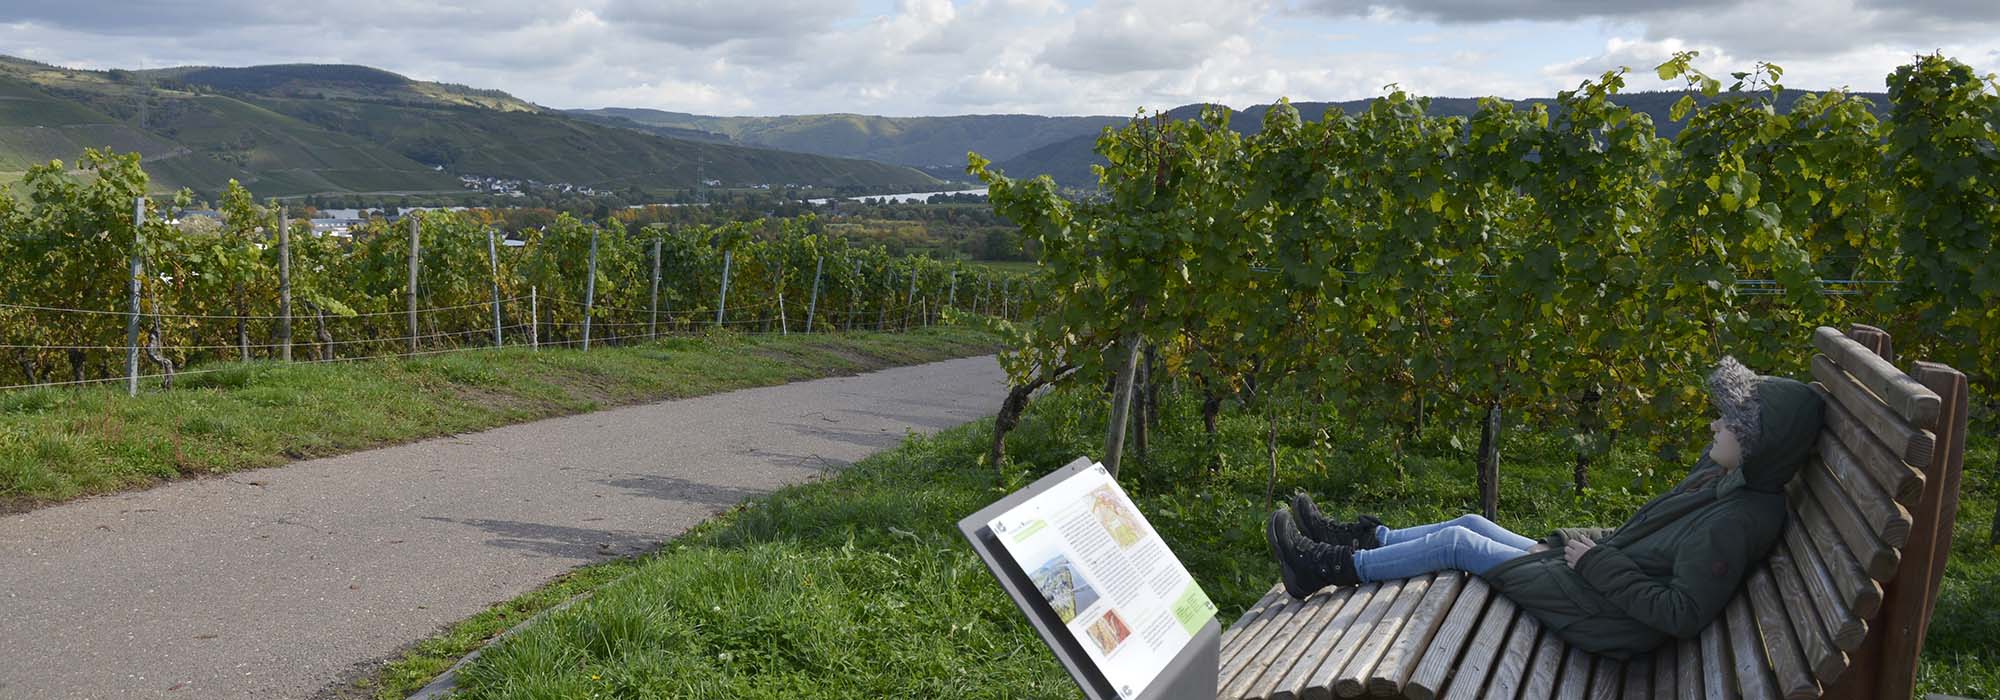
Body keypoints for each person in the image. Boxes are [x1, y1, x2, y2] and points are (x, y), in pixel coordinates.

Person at [1265, 357, 1824, 658]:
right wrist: (1568, 544)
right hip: (1596, 577)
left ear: (1758, 442)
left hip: (1606, 617)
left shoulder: (1734, 520)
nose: (1714, 424)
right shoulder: (1724, 478)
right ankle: (1363, 539)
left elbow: (1679, 614)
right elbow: (1642, 532)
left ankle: (1327, 568)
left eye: (1728, 423)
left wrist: (1591, 562)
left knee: (1461, 546)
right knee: (1471, 523)